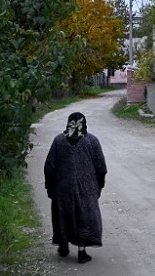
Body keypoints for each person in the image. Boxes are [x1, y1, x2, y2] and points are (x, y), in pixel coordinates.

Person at [44, 111, 107, 264]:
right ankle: (82, 252)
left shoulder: (59, 141)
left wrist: (50, 187)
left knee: (62, 216)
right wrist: (99, 185)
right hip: (86, 188)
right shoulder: (92, 141)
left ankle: (63, 246)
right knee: (83, 218)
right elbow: (101, 168)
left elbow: (49, 167)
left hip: (62, 188)